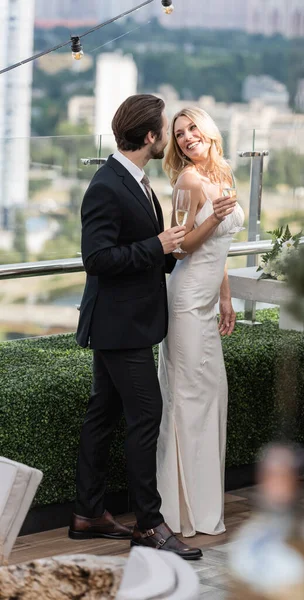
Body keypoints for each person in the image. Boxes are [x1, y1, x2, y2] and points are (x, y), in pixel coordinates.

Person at [69, 94, 202, 560]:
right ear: (150, 136)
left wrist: (169, 250)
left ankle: (88, 513)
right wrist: (156, 245)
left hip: (124, 323)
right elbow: (97, 258)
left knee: (102, 416)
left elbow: (144, 250)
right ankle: (149, 523)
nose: (167, 135)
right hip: (119, 326)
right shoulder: (107, 185)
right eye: (163, 128)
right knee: (146, 416)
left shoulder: (138, 182)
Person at [157, 107, 245, 537]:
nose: (187, 137)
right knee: (188, 400)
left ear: (208, 130)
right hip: (187, 302)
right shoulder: (187, 181)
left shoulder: (223, 176)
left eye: (192, 128)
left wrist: (226, 298)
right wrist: (213, 215)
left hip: (208, 303)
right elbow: (178, 248)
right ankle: (179, 512)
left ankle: (206, 502)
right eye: (179, 134)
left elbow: (220, 250)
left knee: (211, 396)